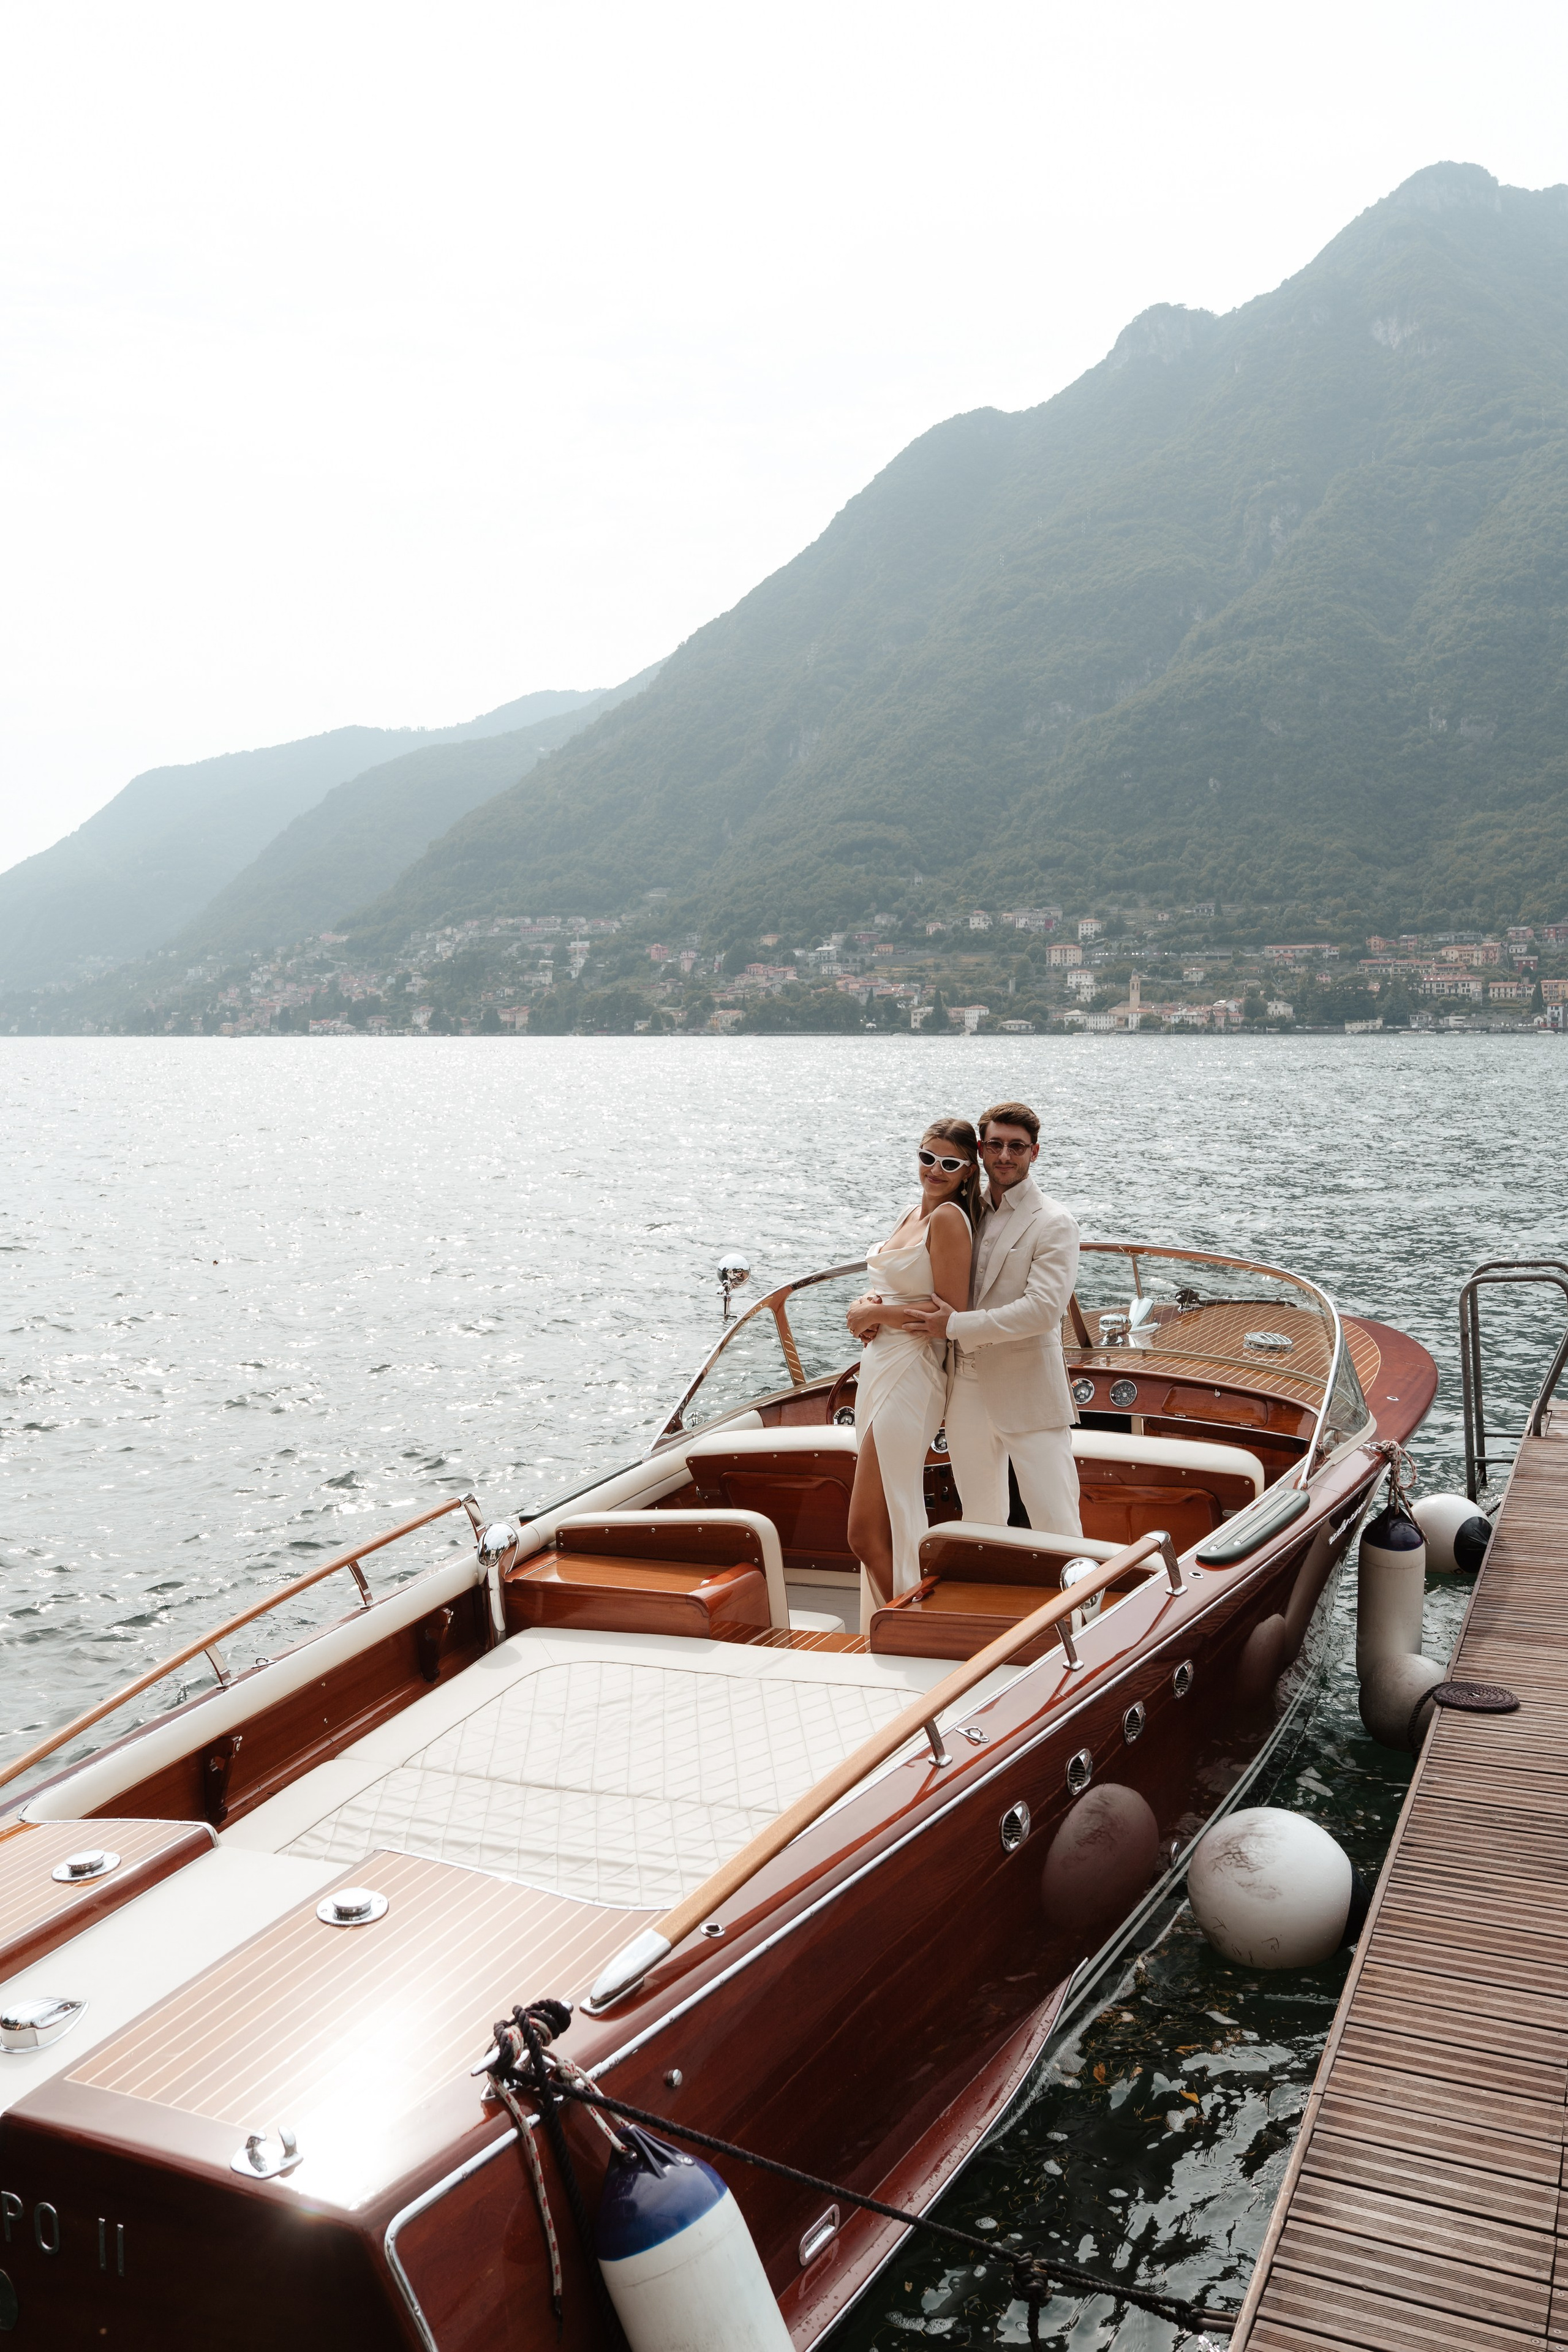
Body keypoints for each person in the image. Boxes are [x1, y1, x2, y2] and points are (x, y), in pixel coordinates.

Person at [903, 1099, 1082, 1536]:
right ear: (981, 1150)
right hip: (963, 1386)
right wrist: (877, 1307)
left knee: (1056, 1520)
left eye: (1016, 1147)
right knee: (980, 1520)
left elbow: (1043, 1311)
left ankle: (1081, 1587)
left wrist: (954, 1327)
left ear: (1034, 1152)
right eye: (996, 1145)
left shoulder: (1055, 1222)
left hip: (1028, 1388)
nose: (1005, 1155)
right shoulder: (963, 1212)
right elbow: (920, 1274)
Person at [843, 1120, 978, 1607]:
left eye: (949, 1163)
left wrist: (874, 1315)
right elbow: (899, 1285)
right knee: (880, 1523)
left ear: (968, 1172)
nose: (935, 1170)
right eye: (927, 1158)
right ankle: (900, 1624)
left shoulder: (949, 1219)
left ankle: (911, 1626)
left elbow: (950, 1313)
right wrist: (866, 1304)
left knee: (866, 1532)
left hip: (912, 1371)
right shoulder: (909, 1213)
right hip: (880, 1367)